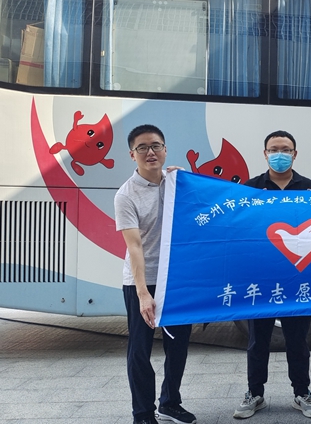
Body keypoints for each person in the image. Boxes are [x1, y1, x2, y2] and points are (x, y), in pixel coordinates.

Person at [233, 130, 311, 420]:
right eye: (274, 149)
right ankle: (254, 393)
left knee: (298, 341)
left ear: (295, 154)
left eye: (285, 149)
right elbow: (241, 228)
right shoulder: (251, 188)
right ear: (265, 154)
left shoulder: (308, 188)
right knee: (258, 340)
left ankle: (302, 393)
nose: (279, 154)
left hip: (298, 278)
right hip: (261, 278)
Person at [115, 125, 197, 424]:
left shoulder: (177, 183)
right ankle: (143, 413)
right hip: (142, 280)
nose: (150, 152)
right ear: (132, 154)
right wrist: (143, 294)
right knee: (140, 350)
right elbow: (134, 247)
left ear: (165, 149)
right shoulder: (126, 195)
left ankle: (170, 403)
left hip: (176, 279)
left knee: (178, 346)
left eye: (156, 146)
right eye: (142, 147)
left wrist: (186, 180)